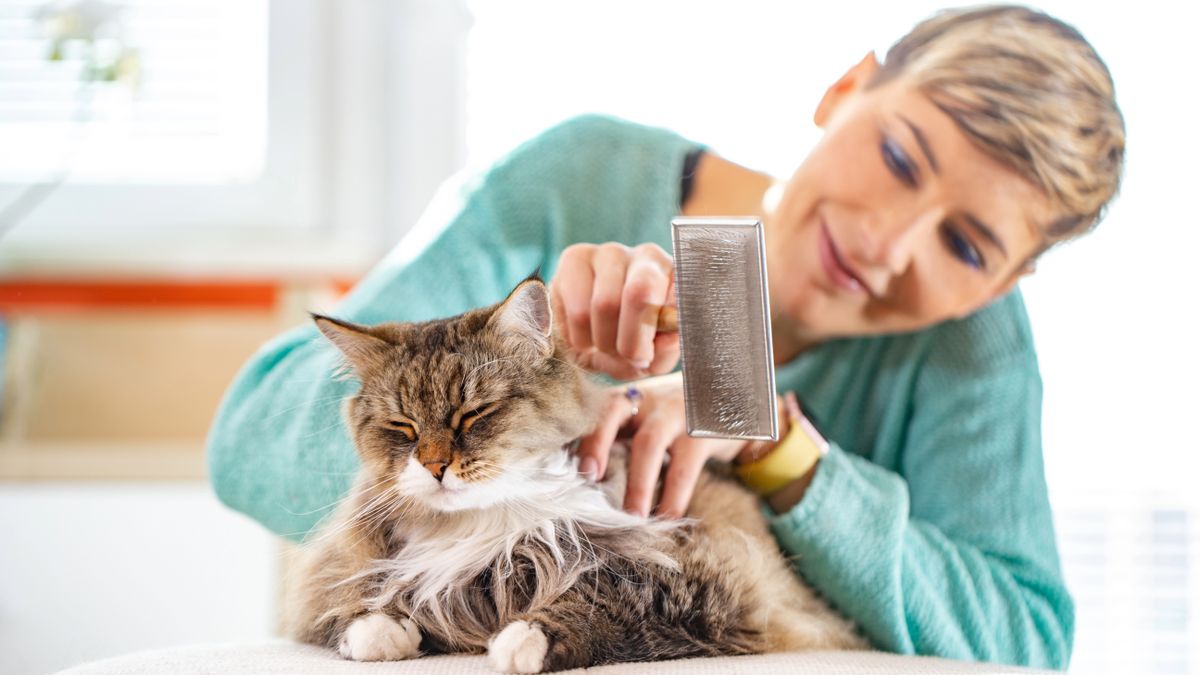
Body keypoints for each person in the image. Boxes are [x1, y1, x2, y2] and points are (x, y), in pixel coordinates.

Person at [206, 5, 1124, 670]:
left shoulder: (974, 340)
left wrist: (778, 444)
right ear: (845, 89)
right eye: (897, 156)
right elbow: (246, 440)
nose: (889, 242)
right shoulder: (577, 177)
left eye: (965, 245)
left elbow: (1025, 641)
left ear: (1010, 280)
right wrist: (534, 385)